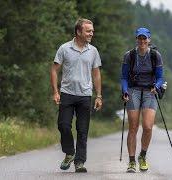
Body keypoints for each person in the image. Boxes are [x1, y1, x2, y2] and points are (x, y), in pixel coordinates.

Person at [50, 18, 102, 173]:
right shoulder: (64, 48)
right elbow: (54, 70)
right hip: (67, 93)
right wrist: (55, 91)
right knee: (63, 125)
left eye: (92, 31)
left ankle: (79, 162)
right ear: (79, 31)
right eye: (88, 31)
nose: (91, 33)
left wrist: (99, 96)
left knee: (82, 130)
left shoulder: (93, 51)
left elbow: (97, 74)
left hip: (85, 95)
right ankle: (70, 152)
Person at [121, 27, 164, 173]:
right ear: (136, 39)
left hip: (149, 92)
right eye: (139, 38)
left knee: (148, 126)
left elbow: (160, 77)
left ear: (149, 40)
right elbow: (124, 77)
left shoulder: (155, 55)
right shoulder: (129, 55)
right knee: (133, 126)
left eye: (144, 38)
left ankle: (143, 156)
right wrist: (124, 90)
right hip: (133, 90)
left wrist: (156, 86)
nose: (142, 41)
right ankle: (132, 161)